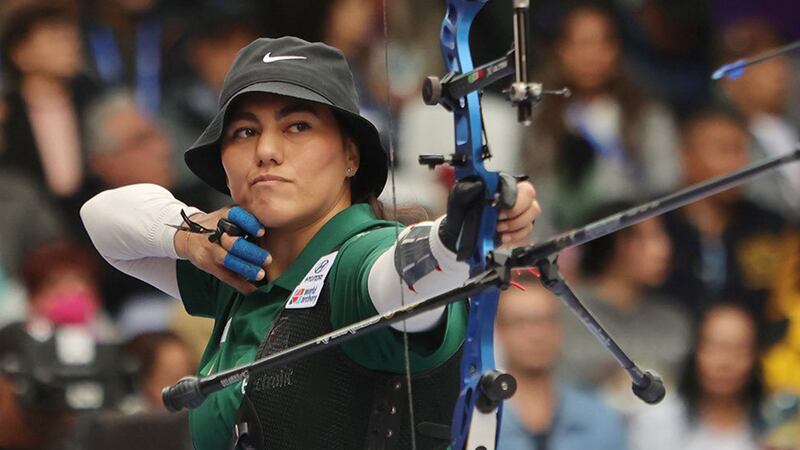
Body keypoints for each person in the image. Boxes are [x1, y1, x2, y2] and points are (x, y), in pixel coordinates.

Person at [81, 36, 539, 450]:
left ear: (351, 156)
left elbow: (400, 275)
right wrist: (189, 235)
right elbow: (101, 220)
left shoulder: (358, 259)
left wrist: (454, 237)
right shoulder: (238, 270)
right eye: (245, 131)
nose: (266, 150)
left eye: (298, 126)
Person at [559, 201, 691, 414]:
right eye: (650, 238)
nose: (665, 249)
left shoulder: (674, 319)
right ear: (617, 244)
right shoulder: (563, 313)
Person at [497, 278, 628, 450]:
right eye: (520, 322)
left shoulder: (599, 417)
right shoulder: (477, 419)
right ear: (499, 330)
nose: (536, 334)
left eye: (547, 320)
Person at [629, 303, 765, 450]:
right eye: (715, 346)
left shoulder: (778, 423)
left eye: (739, 350)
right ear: (695, 351)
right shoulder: (658, 420)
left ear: (755, 356)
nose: (725, 362)